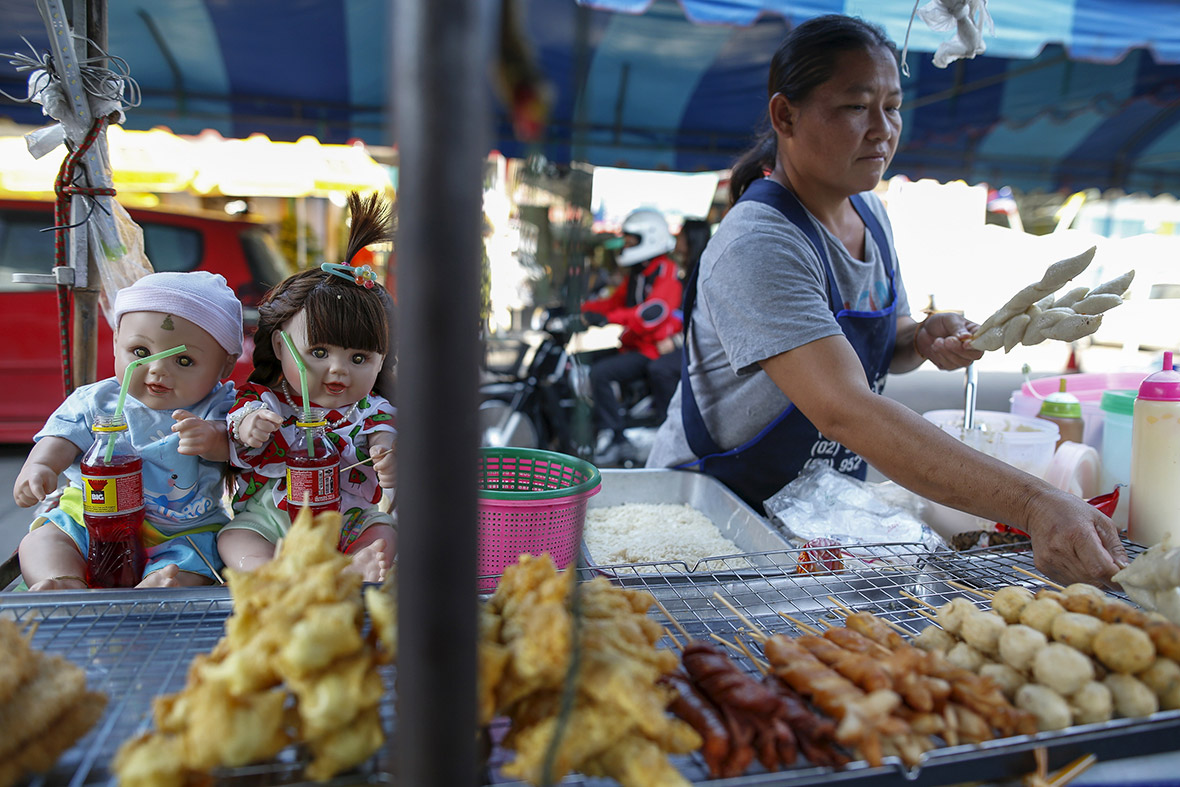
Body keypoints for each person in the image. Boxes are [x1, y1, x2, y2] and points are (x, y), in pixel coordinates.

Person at [645, 14, 1127, 587]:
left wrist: (918, 336)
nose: (882, 130)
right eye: (856, 106)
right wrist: (1035, 503)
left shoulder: (870, 213)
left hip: (810, 520)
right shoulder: (760, 243)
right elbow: (845, 408)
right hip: (711, 524)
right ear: (785, 115)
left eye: (892, 107)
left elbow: (886, 339)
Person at [14, 271, 243, 590]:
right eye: (140, 352)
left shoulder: (220, 406)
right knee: (44, 540)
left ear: (225, 365)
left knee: (193, 562)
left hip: (181, 530)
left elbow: (240, 442)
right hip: (91, 519)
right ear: (116, 342)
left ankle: (160, 587)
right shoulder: (96, 400)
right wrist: (40, 466)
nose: (157, 369)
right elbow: (61, 437)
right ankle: (62, 582)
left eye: (183, 360)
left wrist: (214, 438)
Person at [220, 192, 398, 583]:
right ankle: (273, 573)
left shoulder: (371, 410)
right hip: (273, 520)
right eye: (319, 352)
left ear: (381, 360)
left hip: (347, 522)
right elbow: (241, 418)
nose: (338, 370)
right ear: (280, 346)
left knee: (383, 530)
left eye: (359, 358)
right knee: (235, 538)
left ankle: (354, 567)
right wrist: (249, 426)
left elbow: (385, 434)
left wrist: (388, 455)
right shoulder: (267, 400)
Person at [581, 208, 683, 465]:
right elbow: (613, 302)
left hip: (649, 351)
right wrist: (580, 309)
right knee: (580, 362)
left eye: (631, 241)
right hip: (632, 346)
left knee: (600, 373)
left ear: (650, 238)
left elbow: (649, 315)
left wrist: (608, 319)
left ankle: (615, 437)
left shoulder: (666, 273)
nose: (626, 246)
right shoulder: (639, 274)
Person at [648, 218, 712, 422]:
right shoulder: (685, 270)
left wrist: (675, 341)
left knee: (660, 369)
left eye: (681, 235)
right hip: (683, 339)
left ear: (691, 239)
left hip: (699, 344)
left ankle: (673, 423)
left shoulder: (703, 272)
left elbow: (700, 318)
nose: (677, 239)